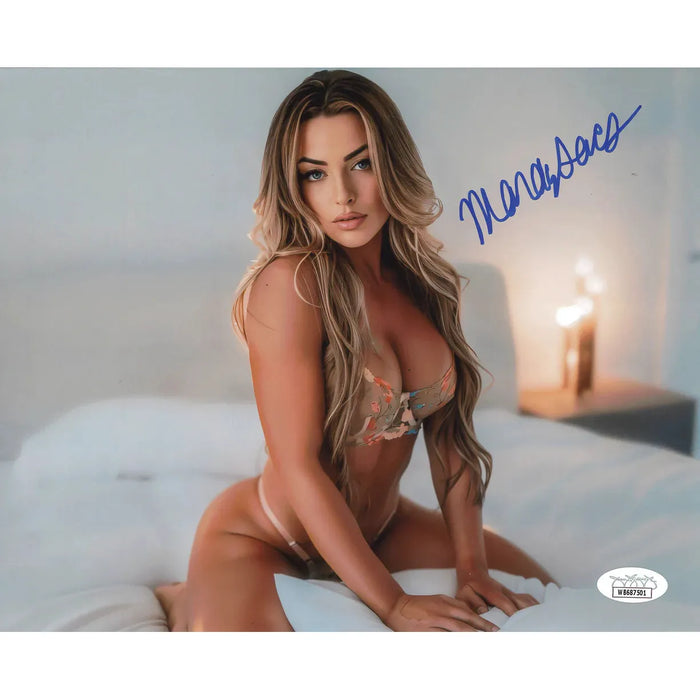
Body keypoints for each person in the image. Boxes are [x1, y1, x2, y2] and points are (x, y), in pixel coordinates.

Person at [155, 69, 557, 632]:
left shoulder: (425, 283)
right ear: (294, 185)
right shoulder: (291, 284)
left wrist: (472, 568)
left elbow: (450, 440)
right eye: (315, 173)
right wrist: (394, 604)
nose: (342, 194)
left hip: (383, 530)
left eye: (361, 163)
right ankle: (182, 596)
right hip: (271, 536)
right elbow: (298, 465)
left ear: (393, 164)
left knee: (544, 591)